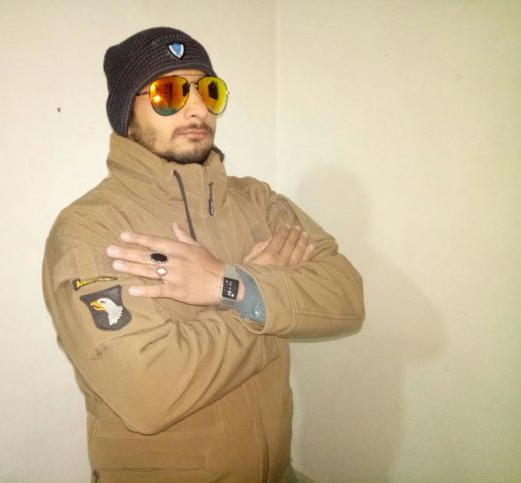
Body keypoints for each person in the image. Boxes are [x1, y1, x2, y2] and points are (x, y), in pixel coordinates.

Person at [42, 27, 364, 483]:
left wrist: (230, 285)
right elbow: (150, 394)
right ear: (126, 115)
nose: (197, 108)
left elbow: (347, 299)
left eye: (209, 91)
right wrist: (273, 303)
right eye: (169, 92)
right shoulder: (90, 229)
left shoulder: (257, 201)